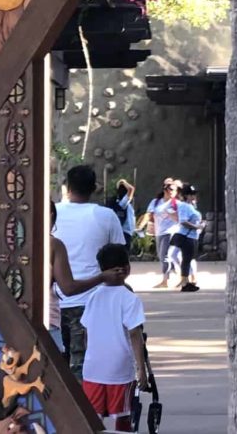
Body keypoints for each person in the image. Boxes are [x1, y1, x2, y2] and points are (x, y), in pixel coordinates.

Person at [54, 165, 126, 380]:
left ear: (66, 186)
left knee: (55, 367)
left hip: (52, 303)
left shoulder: (51, 213)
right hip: (90, 302)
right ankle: (82, 412)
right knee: (82, 365)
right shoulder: (105, 216)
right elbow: (119, 256)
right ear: (94, 188)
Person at [80, 243, 149, 431]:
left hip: (93, 367)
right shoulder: (130, 298)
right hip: (120, 370)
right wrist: (141, 370)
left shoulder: (93, 297)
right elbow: (135, 334)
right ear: (126, 268)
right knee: (124, 417)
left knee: (93, 419)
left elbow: (86, 333)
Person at [50, 202, 127, 350]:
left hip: (29, 320)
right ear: (51, 215)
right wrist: (102, 277)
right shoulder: (53, 245)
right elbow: (68, 287)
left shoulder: (20, 245)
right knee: (79, 364)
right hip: (83, 303)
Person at [168, 184, 204, 293]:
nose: (193, 196)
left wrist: (200, 225)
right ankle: (184, 282)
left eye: (193, 194)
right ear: (186, 196)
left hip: (192, 236)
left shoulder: (191, 206)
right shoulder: (184, 206)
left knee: (188, 259)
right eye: (191, 194)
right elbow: (183, 221)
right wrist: (196, 226)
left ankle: (186, 281)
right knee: (186, 259)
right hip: (186, 236)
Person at [146, 179, 180, 288]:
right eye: (170, 190)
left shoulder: (176, 203)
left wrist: (173, 214)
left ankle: (165, 280)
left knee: (164, 255)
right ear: (165, 190)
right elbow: (150, 214)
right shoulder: (156, 202)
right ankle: (182, 272)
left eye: (174, 190)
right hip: (159, 232)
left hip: (170, 232)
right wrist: (149, 225)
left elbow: (180, 218)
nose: (172, 192)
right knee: (161, 256)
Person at [108, 180, 136, 251]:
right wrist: (123, 182)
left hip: (126, 233)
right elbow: (131, 189)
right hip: (124, 233)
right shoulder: (123, 203)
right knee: (124, 257)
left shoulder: (125, 204)